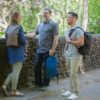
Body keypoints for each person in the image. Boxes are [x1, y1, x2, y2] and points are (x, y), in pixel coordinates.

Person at [27, 7, 59, 90]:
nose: (44, 14)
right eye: (43, 13)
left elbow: (56, 37)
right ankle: (38, 84)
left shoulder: (53, 24)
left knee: (47, 68)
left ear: (50, 14)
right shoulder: (40, 24)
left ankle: (45, 85)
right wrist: (24, 35)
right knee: (36, 66)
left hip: (48, 50)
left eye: (46, 13)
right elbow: (34, 34)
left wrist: (52, 49)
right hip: (39, 50)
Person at [2, 12, 26, 96]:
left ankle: (5, 86)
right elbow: (23, 41)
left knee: (14, 71)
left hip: (10, 51)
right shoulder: (19, 27)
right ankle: (13, 91)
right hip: (18, 51)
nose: (21, 18)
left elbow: (6, 37)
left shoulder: (8, 27)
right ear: (16, 17)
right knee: (16, 72)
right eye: (20, 16)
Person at [61, 12, 84, 99]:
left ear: (74, 18)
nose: (67, 19)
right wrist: (65, 52)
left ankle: (76, 92)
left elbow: (81, 42)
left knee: (73, 73)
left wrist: (70, 41)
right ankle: (70, 91)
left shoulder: (78, 30)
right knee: (69, 72)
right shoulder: (67, 30)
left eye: (69, 17)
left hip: (76, 55)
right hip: (68, 54)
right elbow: (67, 43)